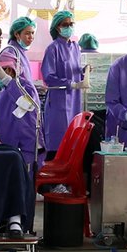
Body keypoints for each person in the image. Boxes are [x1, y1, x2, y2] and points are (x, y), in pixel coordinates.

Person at [41, 11, 87, 157]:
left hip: (74, 99)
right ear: (57, 27)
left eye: (71, 24)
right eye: (65, 24)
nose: (69, 27)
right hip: (58, 100)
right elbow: (49, 76)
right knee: (58, 139)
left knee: (73, 137)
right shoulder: (52, 48)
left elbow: (75, 70)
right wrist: (71, 84)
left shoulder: (75, 47)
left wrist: (84, 71)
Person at [0, 49, 45, 167]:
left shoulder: (26, 87)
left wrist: (7, 80)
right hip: (10, 148)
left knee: (24, 181)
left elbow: (27, 105)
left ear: (9, 70)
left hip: (27, 149)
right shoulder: (3, 92)